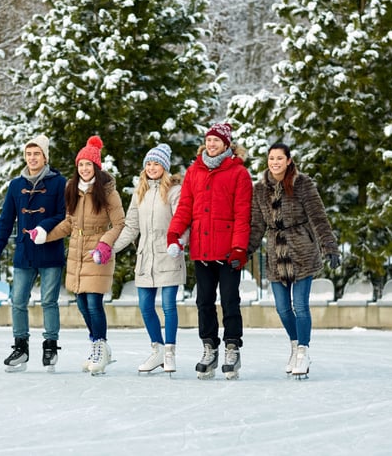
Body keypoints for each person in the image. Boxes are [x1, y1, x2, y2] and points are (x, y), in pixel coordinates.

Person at [31, 135, 125, 375]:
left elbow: (119, 224)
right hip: (76, 250)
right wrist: (46, 235)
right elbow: (68, 224)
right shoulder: (72, 189)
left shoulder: (107, 191)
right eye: (81, 164)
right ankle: (97, 345)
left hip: (97, 252)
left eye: (88, 164)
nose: (84, 168)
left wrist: (105, 244)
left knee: (94, 302)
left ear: (96, 166)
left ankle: (100, 348)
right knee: (82, 304)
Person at [166, 123, 252, 380]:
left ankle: (232, 347)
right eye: (209, 140)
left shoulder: (238, 173)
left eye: (217, 140)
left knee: (229, 300)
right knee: (203, 302)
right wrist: (175, 233)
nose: (212, 144)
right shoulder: (194, 171)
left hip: (228, 252)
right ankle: (209, 347)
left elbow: (242, 214)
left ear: (227, 144)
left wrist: (239, 247)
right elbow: (185, 208)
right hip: (202, 250)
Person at [247, 142, 340, 378]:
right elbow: (257, 225)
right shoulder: (260, 189)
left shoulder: (302, 184)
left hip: (301, 250)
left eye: (280, 158)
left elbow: (318, 216)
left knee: (300, 306)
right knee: (282, 308)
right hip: (276, 255)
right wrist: (245, 251)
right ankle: (294, 343)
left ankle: (303, 350)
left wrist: (330, 247)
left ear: (289, 160)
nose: (275, 162)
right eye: (271, 158)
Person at [0, 135, 67, 373]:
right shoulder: (15, 185)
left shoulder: (58, 182)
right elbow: (5, 221)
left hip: (50, 250)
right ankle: (21, 347)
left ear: (45, 157)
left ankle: (50, 346)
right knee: (18, 300)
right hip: (24, 252)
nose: (32, 158)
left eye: (37, 154)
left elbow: (65, 215)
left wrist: (44, 226)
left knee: (49, 300)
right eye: (28, 154)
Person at [113, 143, 186, 374]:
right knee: (145, 306)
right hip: (146, 257)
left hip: (169, 254)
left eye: (156, 163)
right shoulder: (140, 192)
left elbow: (183, 222)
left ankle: (170, 353)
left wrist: (178, 243)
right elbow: (131, 226)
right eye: (148, 164)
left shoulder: (175, 191)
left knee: (168, 305)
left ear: (164, 167)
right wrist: (111, 248)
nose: (152, 167)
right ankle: (157, 350)